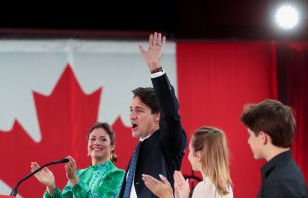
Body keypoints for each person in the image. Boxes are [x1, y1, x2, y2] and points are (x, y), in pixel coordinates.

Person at [118, 32, 187, 198]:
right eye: (131, 109)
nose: (132, 116)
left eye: (139, 110)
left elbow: (170, 113)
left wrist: (155, 67)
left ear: (157, 116)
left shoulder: (167, 140)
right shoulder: (140, 148)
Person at [30, 122, 125, 198]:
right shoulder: (78, 174)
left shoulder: (117, 174)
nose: (96, 143)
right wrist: (51, 187)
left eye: (103, 139)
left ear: (112, 146)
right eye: (92, 139)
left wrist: (74, 180)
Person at [240, 99, 308, 197]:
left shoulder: (277, 183)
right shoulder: (289, 170)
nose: (248, 141)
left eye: (250, 135)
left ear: (262, 137)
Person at [142, 126, 233, 198]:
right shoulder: (226, 187)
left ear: (199, 155)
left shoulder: (203, 188)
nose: (188, 156)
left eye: (189, 150)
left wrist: (168, 195)